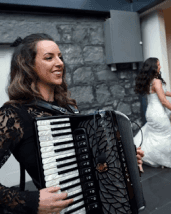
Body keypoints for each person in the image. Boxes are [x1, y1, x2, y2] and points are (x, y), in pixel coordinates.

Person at [0, 33, 144, 214]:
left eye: (60, 56)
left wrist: (124, 163)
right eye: (49, 57)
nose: (60, 63)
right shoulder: (13, 115)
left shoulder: (68, 107)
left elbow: (87, 161)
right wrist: (30, 201)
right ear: (28, 66)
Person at [133, 57, 171, 168]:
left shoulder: (149, 80)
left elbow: (164, 92)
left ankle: (148, 156)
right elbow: (164, 101)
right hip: (158, 114)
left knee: (155, 136)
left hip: (151, 112)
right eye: (158, 65)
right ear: (153, 67)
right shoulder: (156, 81)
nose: (160, 66)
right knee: (165, 135)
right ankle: (166, 161)